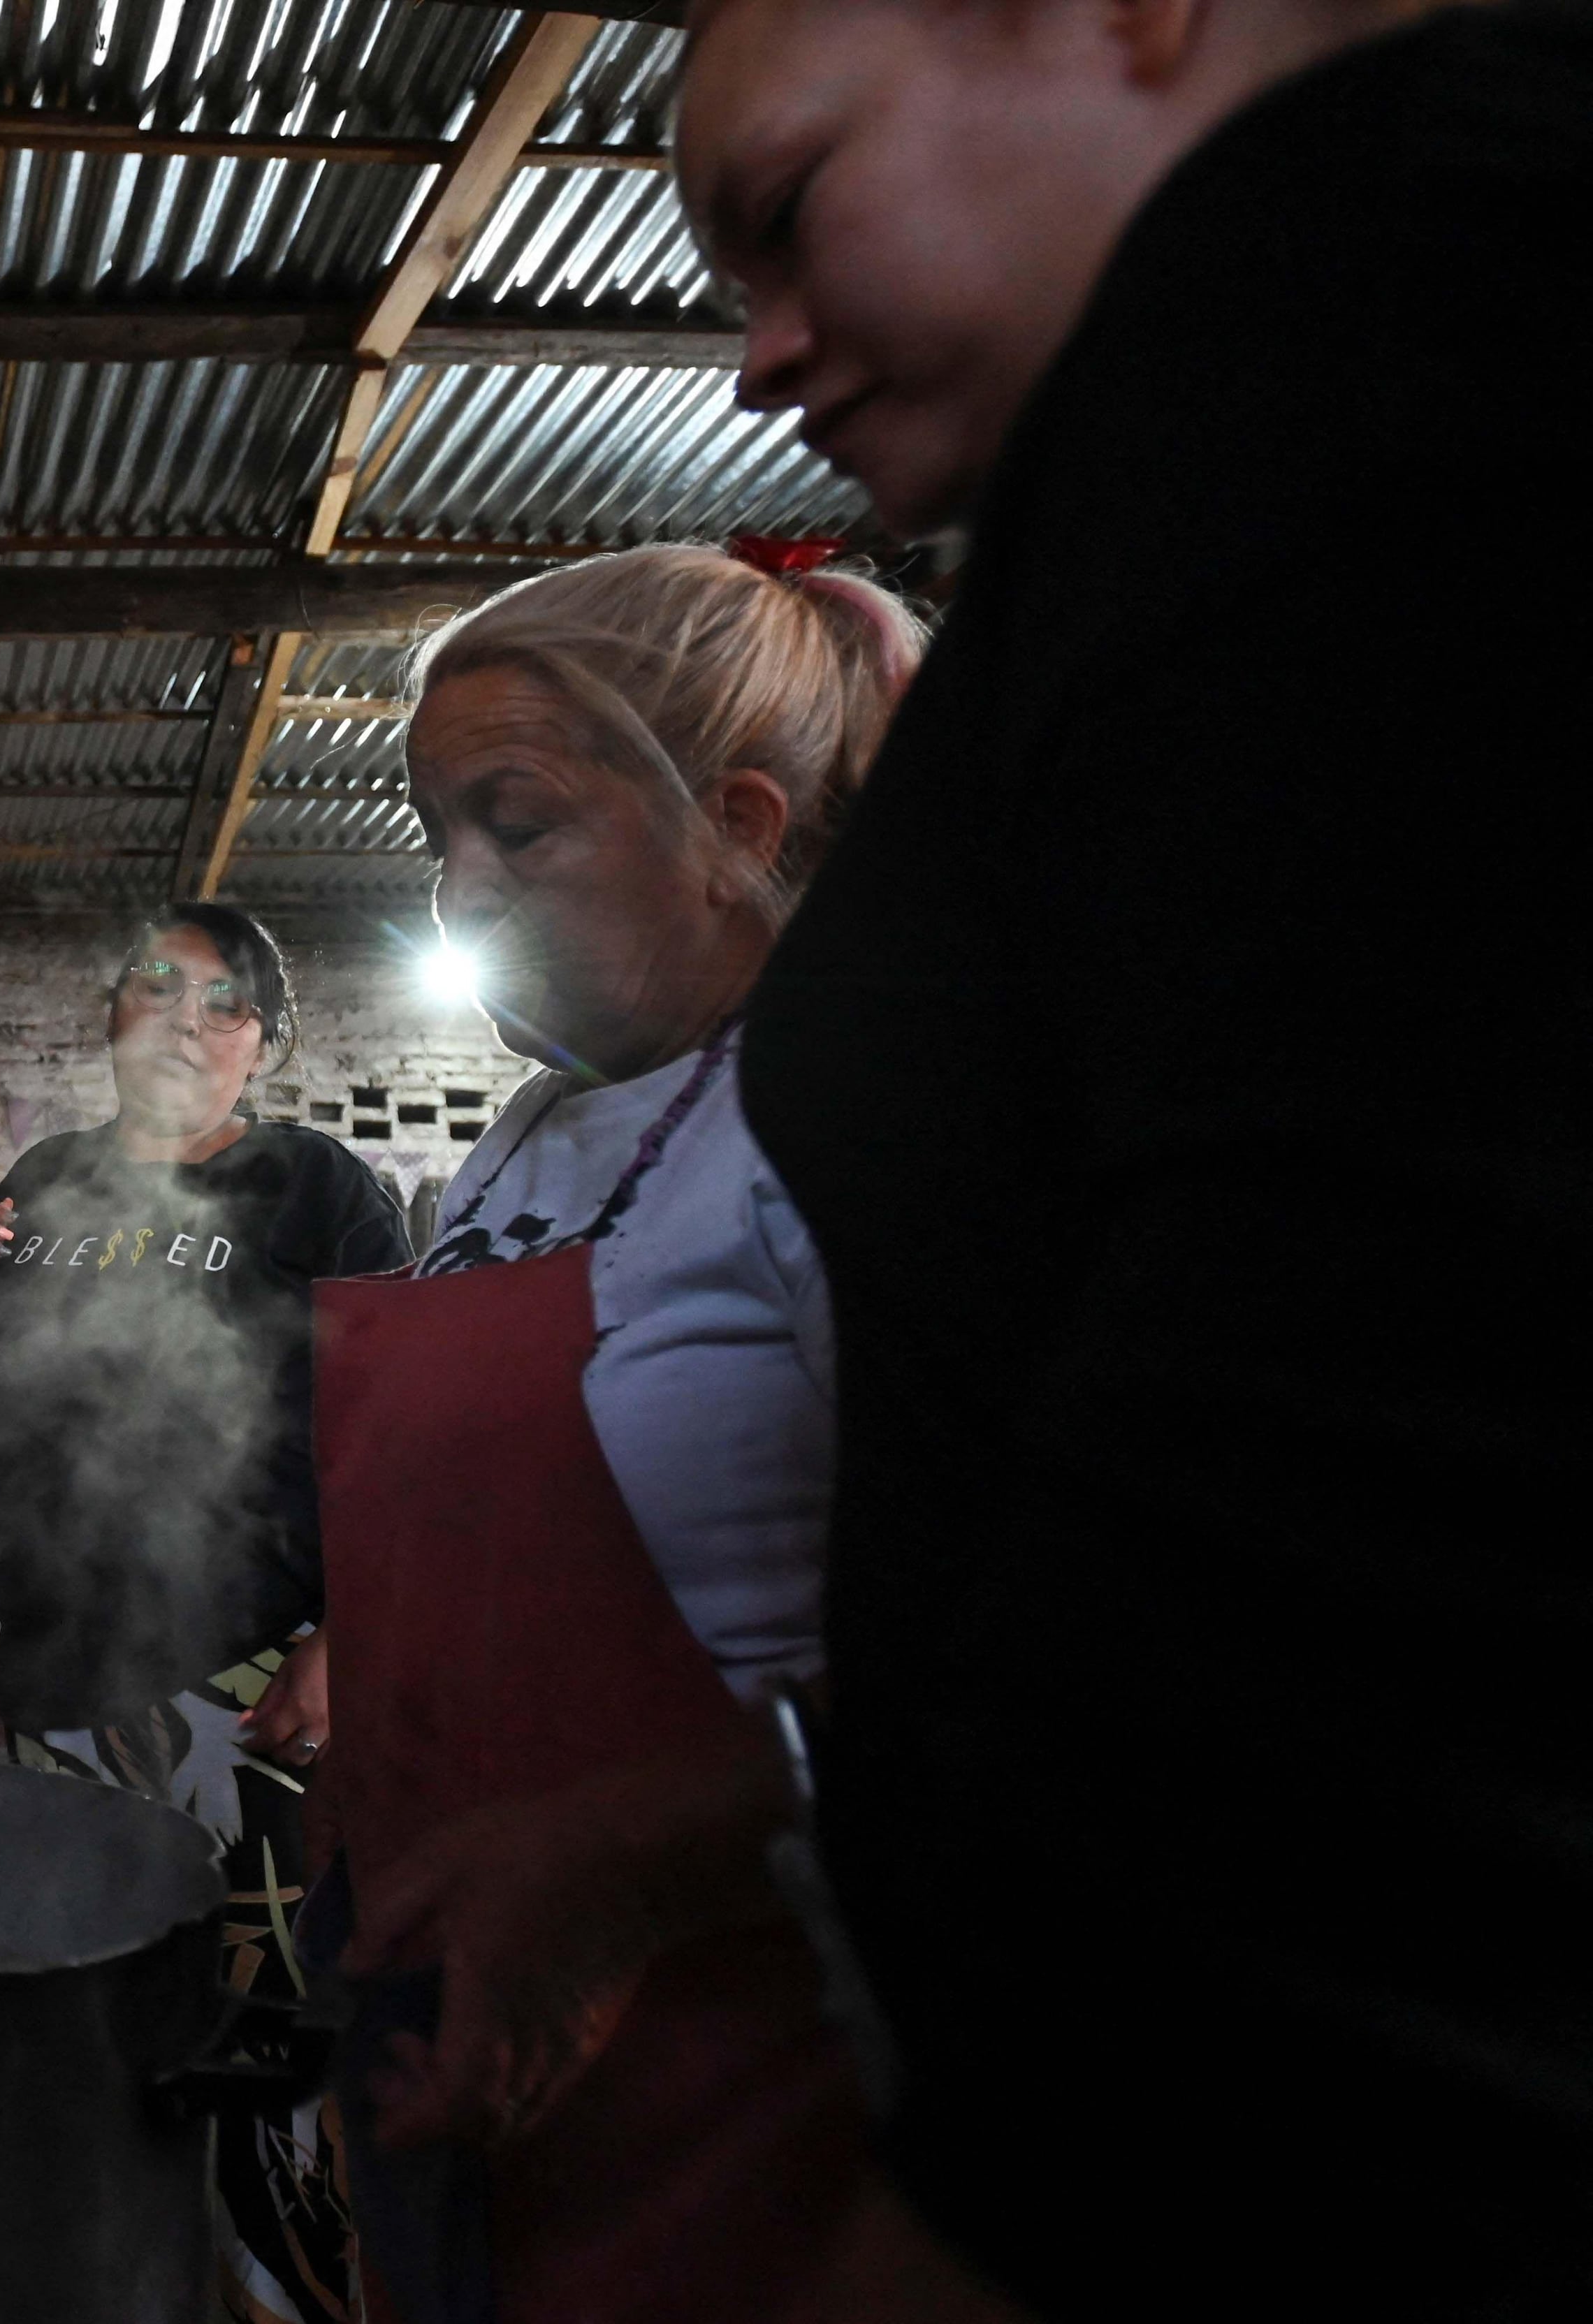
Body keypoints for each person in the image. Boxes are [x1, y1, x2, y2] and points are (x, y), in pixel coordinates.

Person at [675, 1, 1587, 2313]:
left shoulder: (1353, 278)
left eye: (786, 208)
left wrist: (1018, 2206)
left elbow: (1385, 1423)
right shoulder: (1214, 426)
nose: (762, 361)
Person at [307, 544, 925, 2324]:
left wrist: (625, 1861)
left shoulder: (856, 1126)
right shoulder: (524, 1136)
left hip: (761, 2069)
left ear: (733, 822)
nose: (461, 887)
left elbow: (1035, 1673)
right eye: (439, 834)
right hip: (472, 2023)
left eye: (515, 825)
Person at [0, 902, 407, 2323]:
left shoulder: (314, 1185)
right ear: (110, 1012)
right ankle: (116, 2283)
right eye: (156, 990)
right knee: (93, 2019)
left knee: (265, 2041)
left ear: (265, 1041)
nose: (184, 1026)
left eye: (224, 1005)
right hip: (62, 1679)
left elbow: (393, 1423)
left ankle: (277, 2300)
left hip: (245, 1683)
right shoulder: (47, 1179)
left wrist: (345, 1635)